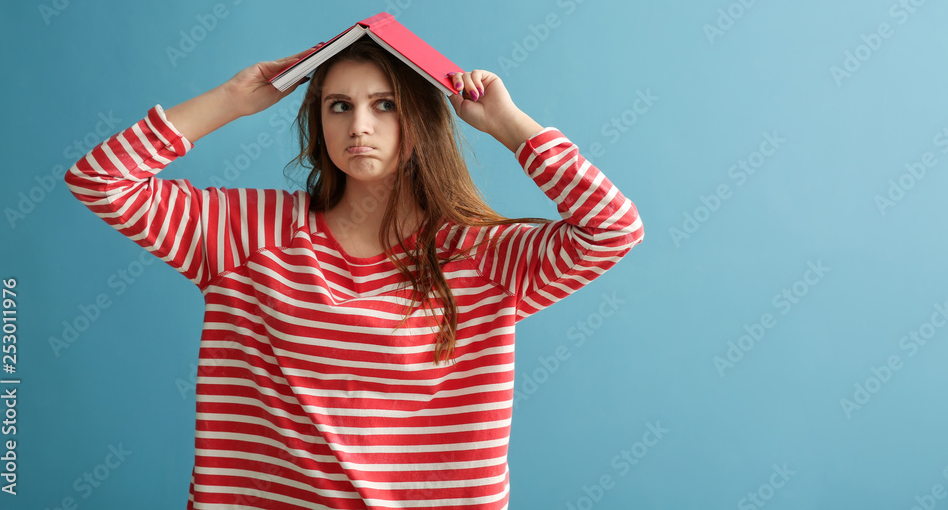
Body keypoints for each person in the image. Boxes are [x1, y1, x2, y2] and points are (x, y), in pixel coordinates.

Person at [64, 35, 644, 509]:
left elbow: (613, 228)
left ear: (418, 119)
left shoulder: (480, 255)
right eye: (338, 105)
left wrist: (507, 122)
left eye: (384, 104)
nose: (358, 125)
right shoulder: (247, 234)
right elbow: (100, 181)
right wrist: (232, 99)